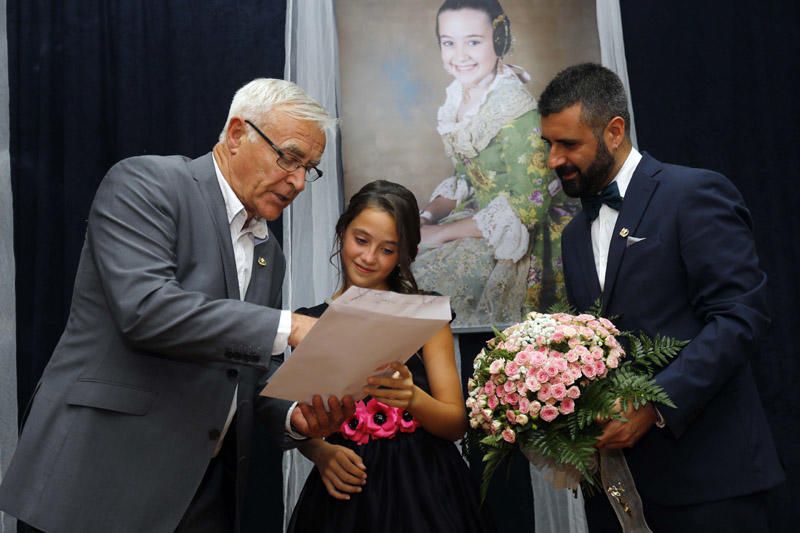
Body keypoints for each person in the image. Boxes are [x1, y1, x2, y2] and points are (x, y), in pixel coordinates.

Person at [0, 78, 355, 533]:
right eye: (289, 157)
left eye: (311, 168)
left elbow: (247, 367)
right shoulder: (147, 184)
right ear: (235, 133)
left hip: (201, 496)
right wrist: (294, 327)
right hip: (100, 480)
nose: (299, 181)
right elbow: (147, 310)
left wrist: (293, 417)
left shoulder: (271, 253)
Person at [539, 63, 784, 531]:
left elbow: (742, 316)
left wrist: (655, 404)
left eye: (568, 144)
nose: (554, 159)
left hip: (711, 485)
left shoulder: (691, 193)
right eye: (547, 144)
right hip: (622, 492)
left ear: (614, 131)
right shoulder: (573, 235)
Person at [287, 180, 493, 533]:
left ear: (404, 254)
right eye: (361, 240)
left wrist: (413, 398)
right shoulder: (307, 323)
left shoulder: (426, 313)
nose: (369, 258)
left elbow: (455, 423)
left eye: (387, 249)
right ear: (342, 231)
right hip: (347, 486)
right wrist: (320, 453)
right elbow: (298, 419)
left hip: (427, 487)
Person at [412, 0, 576, 327]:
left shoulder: (516, 111)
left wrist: (442, 234)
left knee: (431, 281)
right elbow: (464, 178)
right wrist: (426, 218)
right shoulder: (459, 98)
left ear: (498, 40)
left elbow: (529, 208)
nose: (460, 56)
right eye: (449, 43)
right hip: (482, 215)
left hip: (525, 229)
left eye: (473, 41)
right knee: (402, 258)